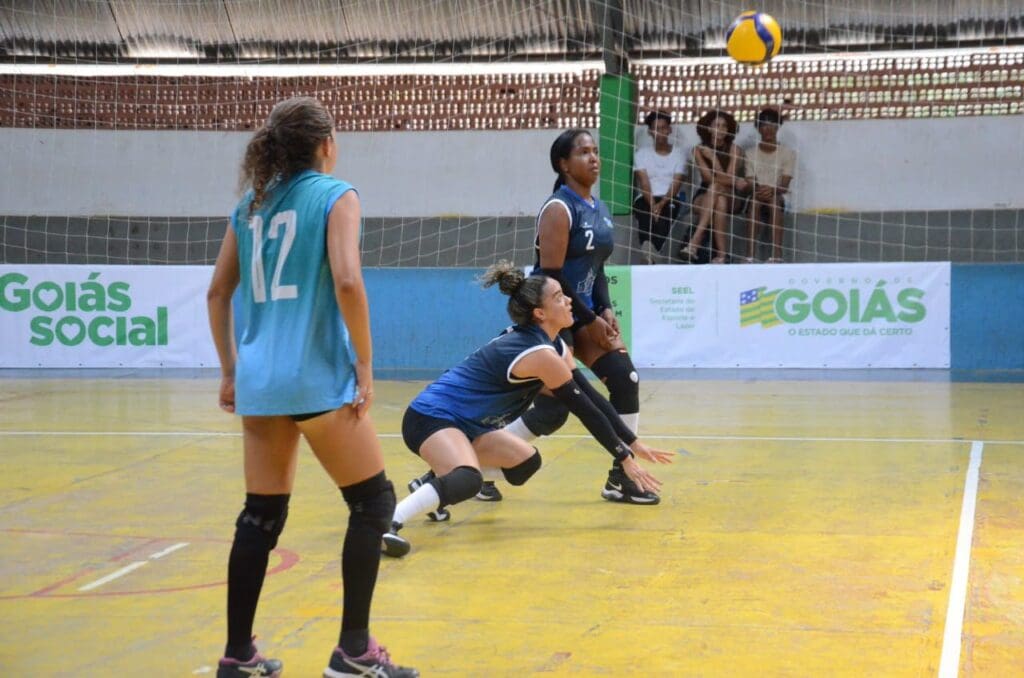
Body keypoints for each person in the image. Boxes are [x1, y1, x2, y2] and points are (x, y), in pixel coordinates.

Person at [207, 96, 417, 678]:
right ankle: (354, 651)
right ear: (326, 143)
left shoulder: (249, 205)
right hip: (316, 377)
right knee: (373, 502)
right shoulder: (336, 194)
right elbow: (348, 280)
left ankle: (238, 655)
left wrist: (229, 370)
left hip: (260, 383)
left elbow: (217, 292)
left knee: (260, 517)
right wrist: (367, 365)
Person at [382, 262, 673, 558]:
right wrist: (623, 457)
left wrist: (632, 441)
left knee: (526, 463)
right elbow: (584, 410)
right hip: (431, 417)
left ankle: (436, 483)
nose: (570, 300)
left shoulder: (554, 345)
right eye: (559, 297)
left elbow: (592, 398)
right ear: (540, 313)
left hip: (467, 426)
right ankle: (387, 521)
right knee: (469, 480)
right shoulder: (538, 353)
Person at [498, 129, 659, 505]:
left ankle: (621, 478)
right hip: (554, 317)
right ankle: (476, 459)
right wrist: (589, 320)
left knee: (625, 378)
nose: (594, 158)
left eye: (595, 151)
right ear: (563, 164)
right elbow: (551, 276)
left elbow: (597, 269)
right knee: (553, 410)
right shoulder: (559, 208)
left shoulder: (599, 210)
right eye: (583, 152)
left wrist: (606, 309)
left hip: (583, 315)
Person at [679, 109, 750, 264]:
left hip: (732, 195)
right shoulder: (698, 149)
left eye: (724, 126)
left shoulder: (735, 150)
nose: (721, 130)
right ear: (709, 128)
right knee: (718, 199)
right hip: (707, 192)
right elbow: (708, 179)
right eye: (716, 125)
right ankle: (722, 255)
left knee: (719, 193)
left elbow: (729, 180)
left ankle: (694, 242)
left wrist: (714, 159)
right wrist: (732, 180)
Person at [633, 110, 687, 264]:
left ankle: (649, 255)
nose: (660, 132)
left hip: (670, 197)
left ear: (669, 129)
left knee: (665, 213)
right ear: (650, 131)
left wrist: (661, 204)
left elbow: (676, 183)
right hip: (646, 197)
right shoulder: (641, 154)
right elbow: (644, 182)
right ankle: (650, 254)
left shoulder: (679, 154)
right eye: (656, 128)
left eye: (664, 128)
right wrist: (652, 204)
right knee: (644, 213)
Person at [743, 107, 796, 263]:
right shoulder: (750, 153)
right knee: (754, 201)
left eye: (772, 124)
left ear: (778, 127)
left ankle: (776, 255)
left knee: (773, 202)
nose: (768, 129)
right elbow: (750, 180)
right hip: (757, 194)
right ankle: (750, 256)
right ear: (758, 128)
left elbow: (784, 185)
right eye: (764, 125)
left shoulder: (788, 153)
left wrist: (771, 190)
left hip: (779, 196)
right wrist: (760, 189)